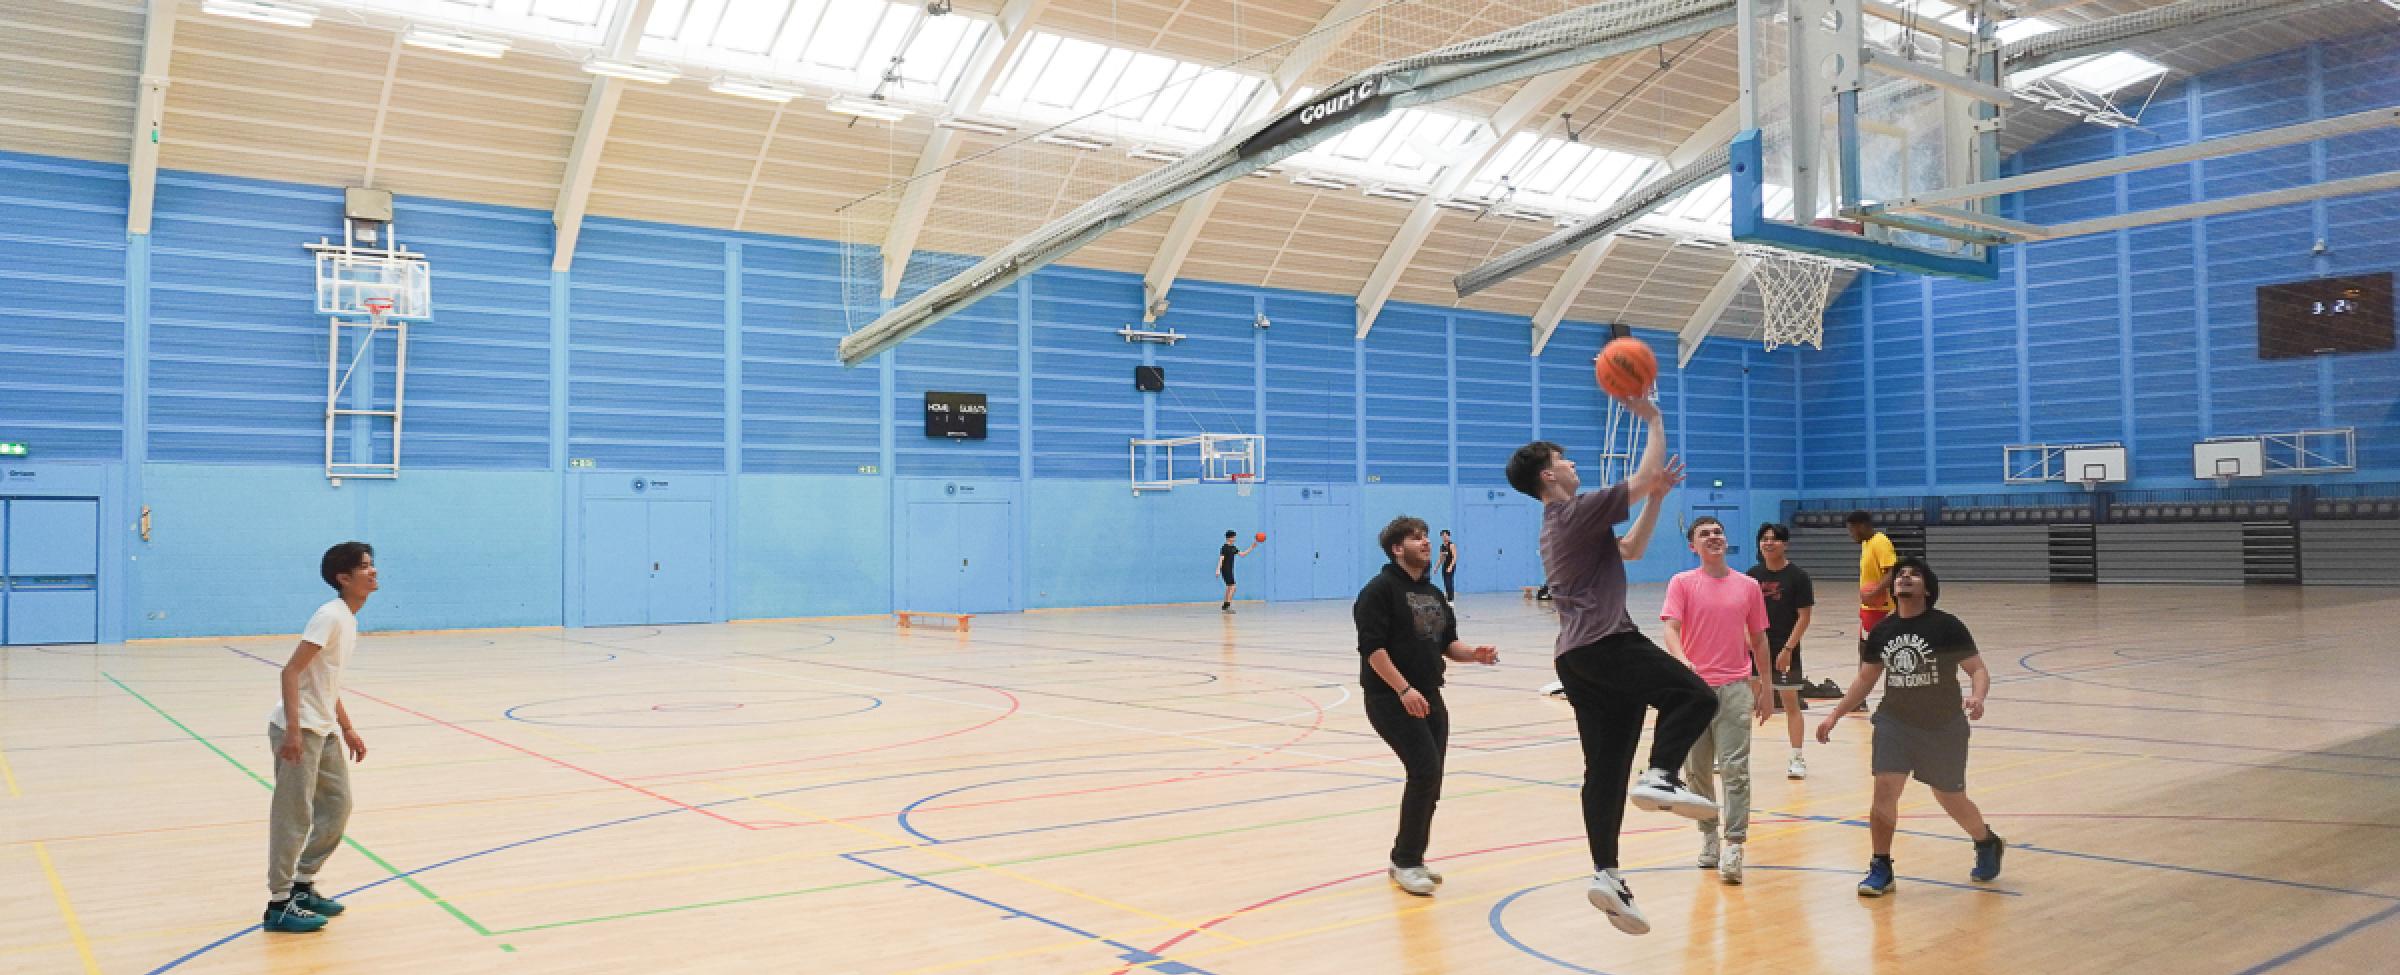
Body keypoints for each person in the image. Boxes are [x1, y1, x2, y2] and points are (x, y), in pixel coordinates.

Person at [1507, 394, 1707, 938]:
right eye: (1566, 460)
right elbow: (1641, 475)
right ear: (1550, 475)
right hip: (1607, 643)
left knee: (1606, 772)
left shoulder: (1564, 525)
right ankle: (1663, 774)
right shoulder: (1574, 509)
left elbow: (1634, 549)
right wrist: (1654, 419)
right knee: (1696, 695)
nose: (1574, 464)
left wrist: (1657, 500)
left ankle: (1608, 876)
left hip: (1577, 660)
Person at [1816, 556, 2004, 896]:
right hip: (1895, 721)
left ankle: (1986, 841)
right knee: (1885, 788)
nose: (1904, 578)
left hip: (1943, 724)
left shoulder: (1946, 626)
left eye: (1913, 575)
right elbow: (1865, 678)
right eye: (1900, 574)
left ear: (1927, 589)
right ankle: (1880, 865)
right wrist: (1835, 714)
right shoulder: (1883, 630)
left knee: (1951, 798)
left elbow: (1977, 669)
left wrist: (1977, 697)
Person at [1355, 516, 1499, 896]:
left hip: (1430, 696)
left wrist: (1475, 654)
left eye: (1427, 538)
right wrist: (1403, 691)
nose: (1426, 543)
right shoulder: (1379, 591)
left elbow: (1448, 644)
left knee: (1431, 780)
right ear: (1396, 549)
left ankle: (1410, 856)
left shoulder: (1433, 594)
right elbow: (1373, 650)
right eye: (1416, 539)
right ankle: (1405, 861)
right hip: (1391, 698)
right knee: (1423, 771)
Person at [263, 541, 378, 934]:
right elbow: (290, 673)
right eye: (364, 567)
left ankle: (302, 883)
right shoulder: (329, 616)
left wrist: (346, 727)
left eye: (371, 564)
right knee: (294, 815)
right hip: (299, 730)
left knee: (337, 807)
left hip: (324, 727)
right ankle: (279, 904)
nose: (373, 571)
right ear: (343, 578)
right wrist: (293, 732)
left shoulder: (348, 618)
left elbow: (325, 682)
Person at [1659, 517, 1774, 885]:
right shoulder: (1682, 583)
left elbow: (1758, 639)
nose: (1713, 537)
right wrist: (1681, 662)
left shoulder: (1749, 586)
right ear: (1693, 546)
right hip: (1694, 692)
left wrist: (1767, 686)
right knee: (1696, 770)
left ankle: (1735, 844)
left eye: (1718, 532)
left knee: (1735, 768)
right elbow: (1671, 629)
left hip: (1735, 688)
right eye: (1704, 534)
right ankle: (1708, 834)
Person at [1748, 522, 1817, 779]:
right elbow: (1744, 613)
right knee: (1744, 703)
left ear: (1785, 544)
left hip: (1785, 648)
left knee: (1790, 704)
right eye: (1764, 538)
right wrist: (1749, 643)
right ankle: (1733, 756)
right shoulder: (1752, 575)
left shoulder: (1798, 577)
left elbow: (1804, 617)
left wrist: (1788, 648)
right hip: (1756, 647)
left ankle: (1797, 757)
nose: (1769, 543)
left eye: (1775, 539)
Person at [1847, 510, 1899, 651]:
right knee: (1865, 652)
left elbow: (1892, 572)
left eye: (1852, 530)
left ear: (1862, 526)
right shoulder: (1867, 543)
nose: (1851, 534)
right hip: (1870, 607)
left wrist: (1874, 593)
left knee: (1870, 653)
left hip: (1881, 609)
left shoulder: (1880, 542)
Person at [1216, 530, 1260, 612]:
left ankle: (1225, 605)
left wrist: (1252, 547)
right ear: (1229, 538)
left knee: (1229, 587)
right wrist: (1218, 569)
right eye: (1233, 537)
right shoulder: (1224, 547)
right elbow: (1221, 558)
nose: (1235, 539)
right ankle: (1228, 606)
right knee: (1233, 587)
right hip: (1225, 569)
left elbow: (1242, 554)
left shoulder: (1233, 548)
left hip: (1230, 569)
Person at [1438, 529, 1459, 602]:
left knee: (1449, 581)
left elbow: (1455, 557)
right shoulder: (1442, 546)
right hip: (1445, 565)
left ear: (1449, 536)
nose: (1444, 537)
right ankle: (1448, 596)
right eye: (1443, 536)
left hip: (1451, 565)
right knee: (1445, 581)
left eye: (1446, 535)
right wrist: (1436, 567)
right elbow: (1441, 558)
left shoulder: (1452, 545)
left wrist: (1450, 566)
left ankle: (1451, 598)